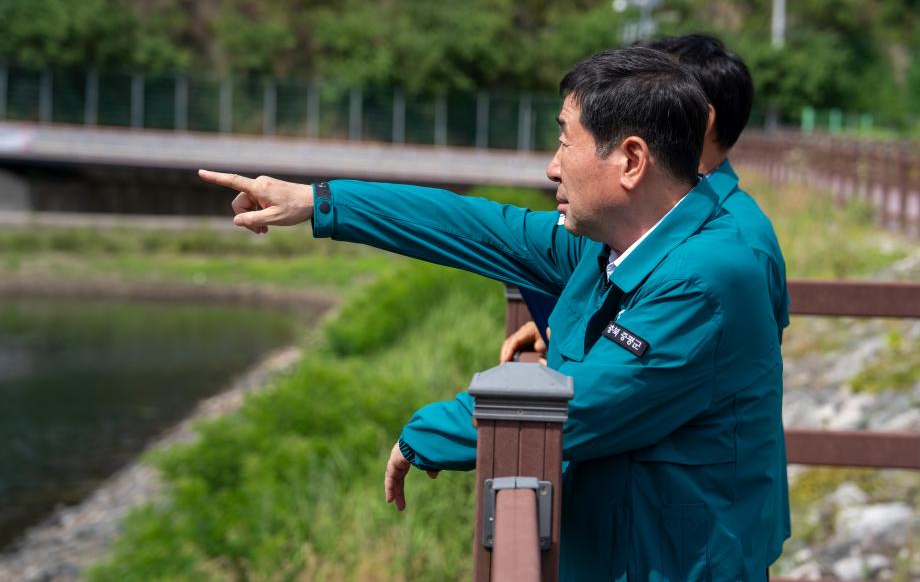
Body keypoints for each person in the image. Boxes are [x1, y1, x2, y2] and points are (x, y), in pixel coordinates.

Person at [199, 46, 787, 581]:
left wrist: (427, 433)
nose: (552, 167)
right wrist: (319, 203)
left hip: (675, 562)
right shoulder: (619, 242)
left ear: (630, 160)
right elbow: (480, 228)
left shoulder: (704, 276)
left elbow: (585, 404)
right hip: (630, 542)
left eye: (565, 140)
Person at [501, 33, 789, 364]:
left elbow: (706, 356)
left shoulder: (740, 241)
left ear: (703, 119)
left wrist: (573, 351)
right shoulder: (654, 212)